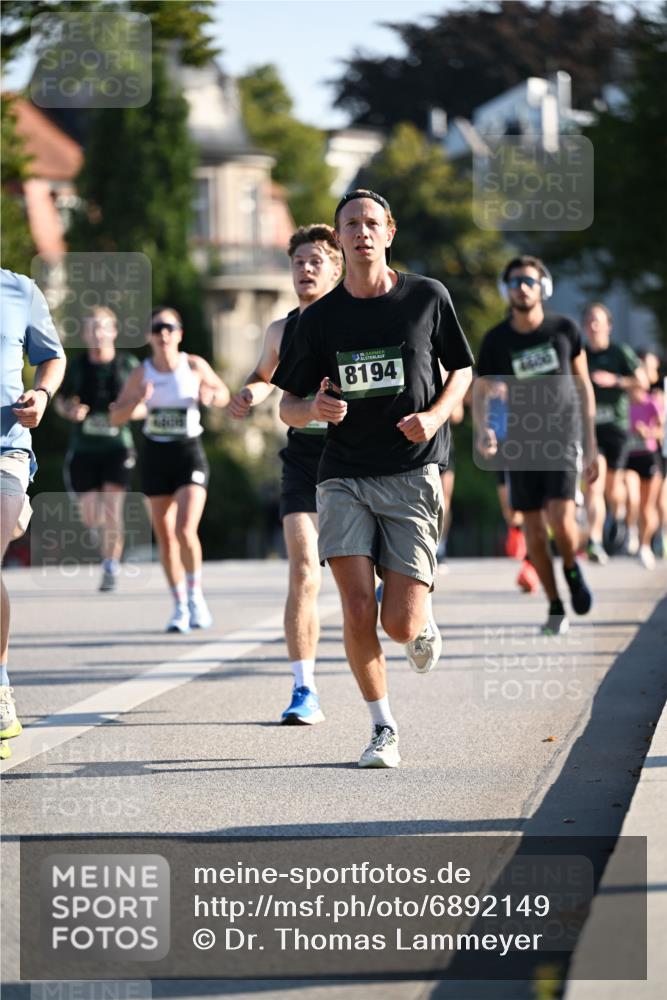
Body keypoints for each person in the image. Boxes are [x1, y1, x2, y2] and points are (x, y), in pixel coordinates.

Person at [273, 189, 474, 768]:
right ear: (339, 239)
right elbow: (287, 405)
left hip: (411, 471)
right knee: (357, 606)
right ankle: (383, 728)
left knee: (400, 624)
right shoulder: (320, 319)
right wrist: (313, 409)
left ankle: (421, 616)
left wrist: (435, 415)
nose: (361, 232)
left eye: (370, 223)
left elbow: (462, 369)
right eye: (350, 225)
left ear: (389, 232)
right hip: (343, 477)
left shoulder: (426, 297)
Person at [229, 225, 342, 724]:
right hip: (303, 462)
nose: (306, 269)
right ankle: (304, 689)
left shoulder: (356, 322)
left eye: (316, 261)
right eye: (299, 261)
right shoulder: (281, 330)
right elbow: (263, 375)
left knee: (370, 582)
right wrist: (250, 393)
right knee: (303, 571)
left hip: (358, 460)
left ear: (336, 269)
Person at [475, 256, 599, 636]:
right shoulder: (496, 340)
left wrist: (591, 442)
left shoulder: (564, 329)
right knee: (532, 533)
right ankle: (555, 604)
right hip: (520, 444)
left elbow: (583, 385)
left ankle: (571, 568)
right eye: (515, 282)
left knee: (561, 520)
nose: (522, 288)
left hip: (562, 438)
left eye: (529, 281)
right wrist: (484, 429)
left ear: (543, 287)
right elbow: (482, 390)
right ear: (506, 290)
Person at [110, 307, 229, 633]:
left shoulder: (194, 365)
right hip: (156, 455)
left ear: (179, 334)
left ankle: (195, 597)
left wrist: (210, 395)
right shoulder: (141, 373)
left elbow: (223, 394)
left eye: (169, 327)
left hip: (189, 452)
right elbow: (115, 417)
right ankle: (179, 606)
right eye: (156, 328)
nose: (163, 334)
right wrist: (137, 401)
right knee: (164, 535)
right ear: (149, 336)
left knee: (185, 529)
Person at [1, 269, 66, 760]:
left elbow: (52, 357)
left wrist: (41, 395)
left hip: (6, 449)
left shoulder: (19, 289)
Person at [55, 306, 139, 591]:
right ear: (85, 334)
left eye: (103, 327)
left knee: (113, 508)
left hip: (118, 447)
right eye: (92, 328)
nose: (98, 333)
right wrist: (69, 411)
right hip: (84, 448)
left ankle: (110, 566)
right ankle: (107, 540)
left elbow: (146, 406)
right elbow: (60, 400)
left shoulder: (128, 365)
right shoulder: (77, 366)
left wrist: (126, 411)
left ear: (113, 331)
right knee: (91, 515)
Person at [582, 303, 647, 562]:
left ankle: (618, 514)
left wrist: (616, 380)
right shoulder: (580, 354)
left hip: (616, 428)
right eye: (589, 321)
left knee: (613, 488)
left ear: (608, 326)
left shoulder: (620, 352)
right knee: (593, 484)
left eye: (598, 321)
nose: (593, 325)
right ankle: (595, 540)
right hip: (590, 427)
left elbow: (643, 381)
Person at [623, 353, 664, 569]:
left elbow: (661, 432)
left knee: (648, 507)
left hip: (649, 457)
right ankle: (630, 530)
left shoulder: (653, 403)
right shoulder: (622, 405)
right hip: (629, 458)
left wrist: (647, 432)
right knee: (632, 497)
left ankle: (645, 544)